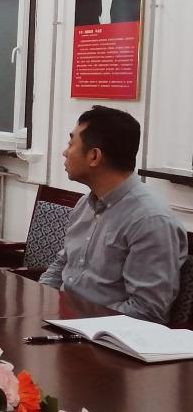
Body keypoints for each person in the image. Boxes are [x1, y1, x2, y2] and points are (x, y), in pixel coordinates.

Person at [40, 106, 187, 323]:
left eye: (71, 144)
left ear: (94, 156)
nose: (65, 152)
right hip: (65, 322)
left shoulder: (150, 220)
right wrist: (39, 301)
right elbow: (62, 265)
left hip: (103, 335)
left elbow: (147, 311)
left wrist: (80, 320)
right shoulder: (85, 204)